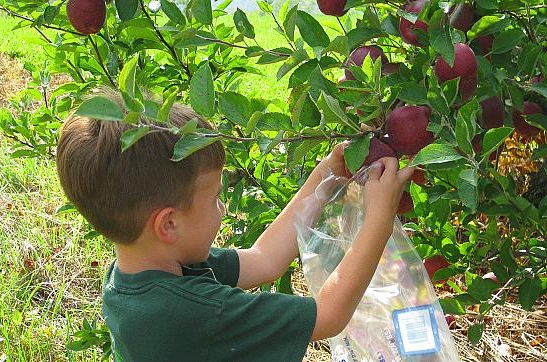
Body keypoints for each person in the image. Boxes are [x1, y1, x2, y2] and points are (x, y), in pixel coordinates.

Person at [56, 88, 413, 361]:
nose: (223, 208)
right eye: (213, 198)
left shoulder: (142, 271)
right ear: (168, 224)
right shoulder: (190, 313)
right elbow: (329, 316)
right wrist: (379, 218)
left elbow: (264, 259)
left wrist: (328, 172)